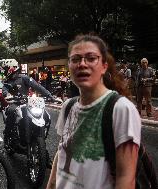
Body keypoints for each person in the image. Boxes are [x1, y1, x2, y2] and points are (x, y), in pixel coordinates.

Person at [46, 34, 141, 189]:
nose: (82, 64)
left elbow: (126, 178)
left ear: (104, 66)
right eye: (75, 59)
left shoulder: (121, 109)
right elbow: (61, 153)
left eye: (91, 58)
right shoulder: (68, 106)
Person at [2, 67, 55, 166]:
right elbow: (4, 91)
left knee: (45, 115)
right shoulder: (7, 82)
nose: (15, 74)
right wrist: (7, 94)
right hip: (15, 103)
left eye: (15, 72)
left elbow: (37, 86)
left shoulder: (25, 78)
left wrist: (49, 95)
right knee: (11, 111)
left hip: (28, 103)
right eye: (12, 72)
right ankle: (8, 135)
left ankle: (44, 154)